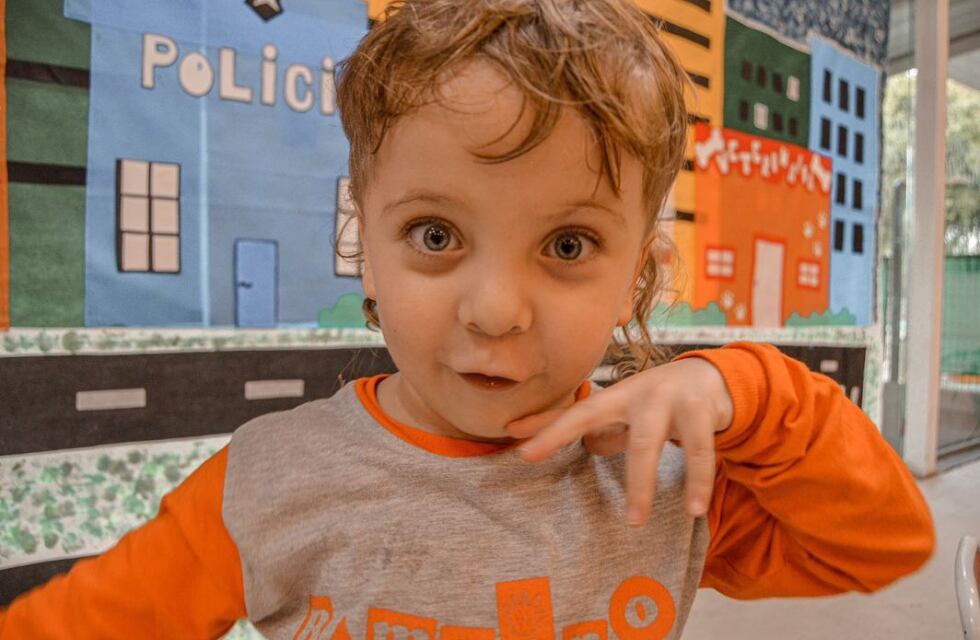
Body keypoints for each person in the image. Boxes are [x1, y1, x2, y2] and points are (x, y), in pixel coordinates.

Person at [0, 0, 934, 638]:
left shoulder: (664, 478)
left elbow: (885, 541)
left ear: (638, 272)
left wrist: (751, 393)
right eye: (436, 233)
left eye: (568, 246)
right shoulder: (267, 480)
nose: (494, 311)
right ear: (362, 232)